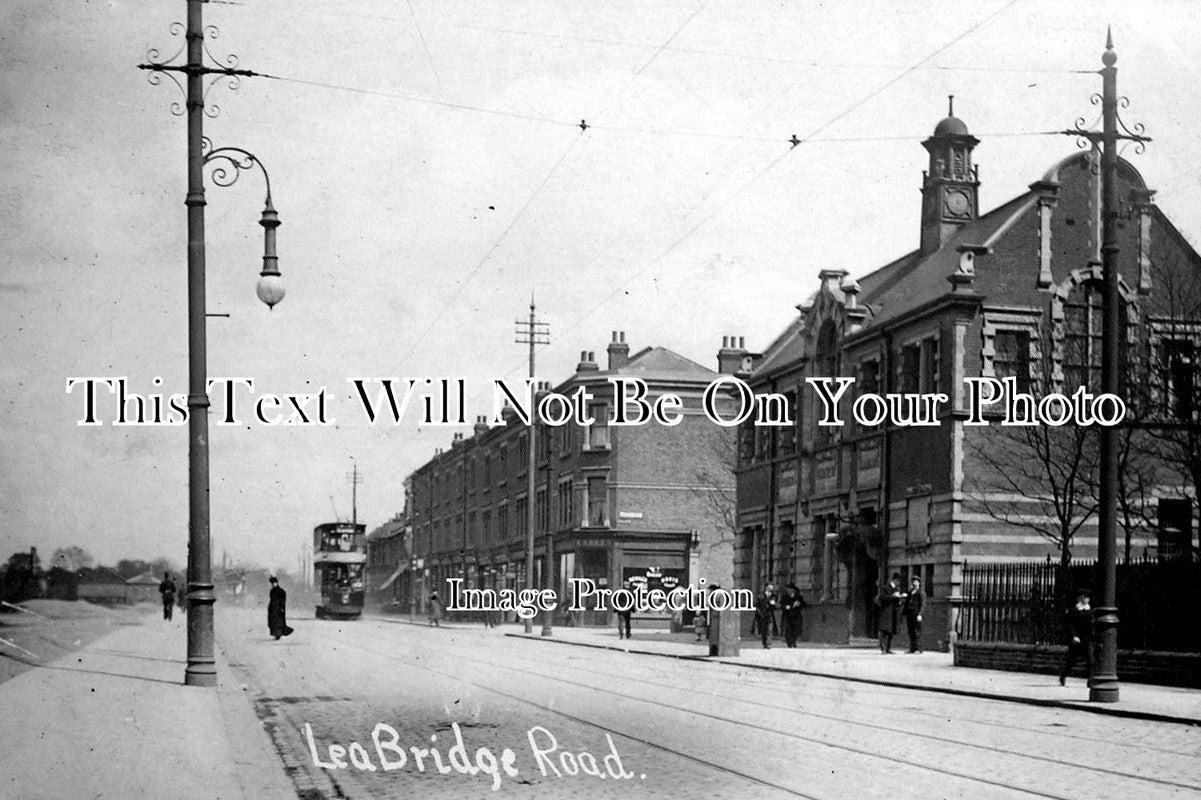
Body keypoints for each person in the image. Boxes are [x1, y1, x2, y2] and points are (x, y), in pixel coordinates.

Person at [1059, 588, 1094, 686]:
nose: (1087, 599)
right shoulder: (1073, 610)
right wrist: (1073, 636)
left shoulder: (1090, 611)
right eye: (1085, 597)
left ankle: (1090, 680)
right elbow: (1068, 625)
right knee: (1071, 661)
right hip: (1077, 640)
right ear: (1080, 598)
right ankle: (1064, 675)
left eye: (1087, 597)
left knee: (1090, 660)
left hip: (1087, 639)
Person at [875, 574, 903, 654]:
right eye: (898, 581)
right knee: (884, 630)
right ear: (895, 580)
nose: (899, 583)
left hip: (893, 612)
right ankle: (883, 648)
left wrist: (900, 599)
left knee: (891, 630)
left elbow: (896, 601)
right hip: (886, 611)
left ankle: (888, 648)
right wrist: (893, 596)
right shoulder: (885, 588)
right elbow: (882, 598)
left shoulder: (897, 589)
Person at [902, 575, 925, 653]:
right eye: (913, 581)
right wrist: (904, 613)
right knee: (911, 631)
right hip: (910, 614)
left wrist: (920, 614)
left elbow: (923, 604)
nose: (914, 583)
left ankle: (918, 649)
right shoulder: (910, 592)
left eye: (916, 581)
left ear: (919, 583)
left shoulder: (921, 592)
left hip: (916, 614)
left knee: (917, 632)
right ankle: (912, 648)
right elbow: (906, 604)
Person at [781, 583, 807, 648]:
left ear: (793, 590)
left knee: (796, 629)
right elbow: (781, 605)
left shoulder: (798, 597)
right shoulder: (784, 596)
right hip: (787, 615)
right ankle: (789, 643)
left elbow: (803, 604)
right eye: (787, 589)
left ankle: (793, 641)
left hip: (796, 615)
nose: (788, 590)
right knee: (788, 630)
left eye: (790, 589)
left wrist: (799, 604)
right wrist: (785, 607)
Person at [754, 584, 778, 648]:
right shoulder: (761, 595)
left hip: (770, 615)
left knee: (769, 629)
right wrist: (760, 613)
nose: (771, 588)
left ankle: (768, 643)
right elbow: (756, 605)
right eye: (770, 586)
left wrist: (774, 604)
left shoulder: (774, 596)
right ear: (766, 587)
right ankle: (764, 643)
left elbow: (776, 604)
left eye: (772, 587)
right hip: (762, 615)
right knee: (763, 630)